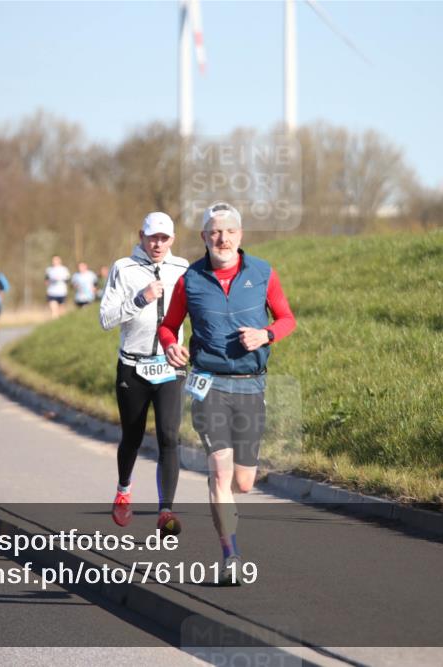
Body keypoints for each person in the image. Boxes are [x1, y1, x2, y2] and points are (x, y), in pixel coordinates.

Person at [159, 202, 296, 584]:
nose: (223, 238)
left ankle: (223, 492)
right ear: (204, 237)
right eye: (215, 232)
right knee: (220, 471)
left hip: (252, 385)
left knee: (244, 482)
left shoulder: (263, 273)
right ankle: (230, 555)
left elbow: (287, 319)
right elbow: (169, 326)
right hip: (209, 383)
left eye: (230, 231)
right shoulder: (190, 279)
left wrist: (266, 334)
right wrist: (170, 345)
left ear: (240, 236)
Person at [99, 212, 189, 534]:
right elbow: (106, 318)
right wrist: (141, 298)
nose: (158, 244)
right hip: (133, 366)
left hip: (169, 365)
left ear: (172, 240)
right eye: (152, 237)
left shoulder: (184, 269)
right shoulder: (123, 268)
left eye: (164, 238)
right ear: (141, 236)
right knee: (132, 436)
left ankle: (166, 511)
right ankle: (124, 488)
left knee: (169, 435)